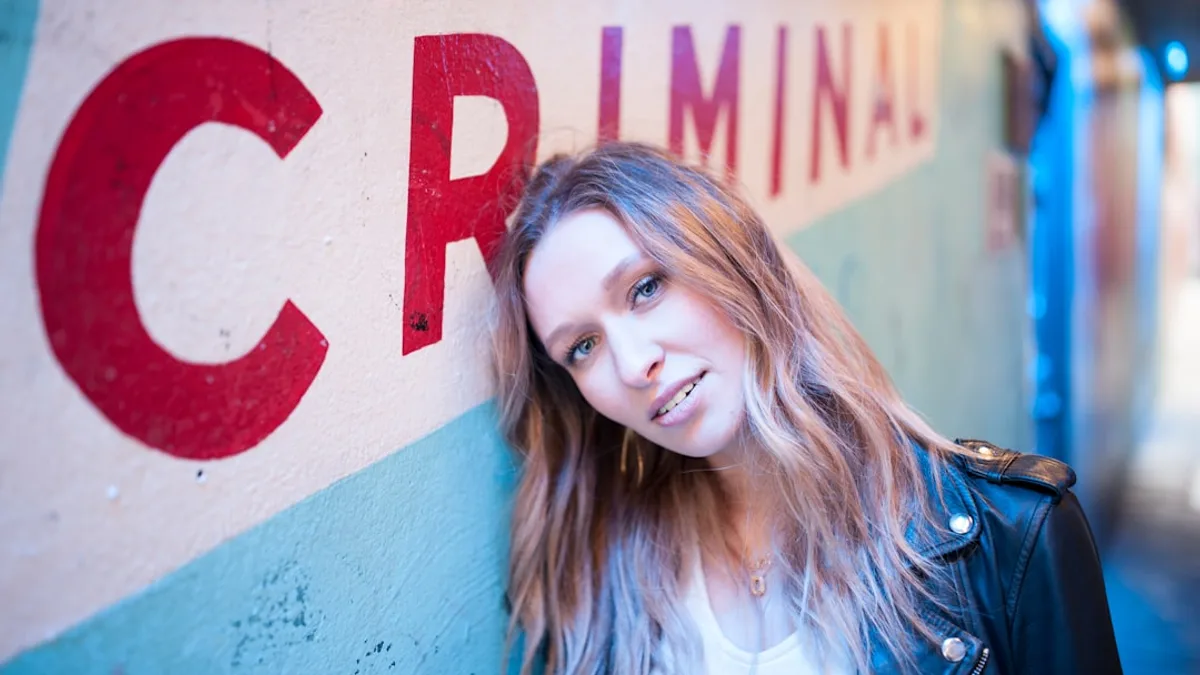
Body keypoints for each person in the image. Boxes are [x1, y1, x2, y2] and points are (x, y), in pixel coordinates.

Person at [489, 142, 1121, 675]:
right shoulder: (600, 588)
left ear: (731, 262)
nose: (631, 365)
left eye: (646, 288)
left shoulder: (1015, 536)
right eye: (582, 347)